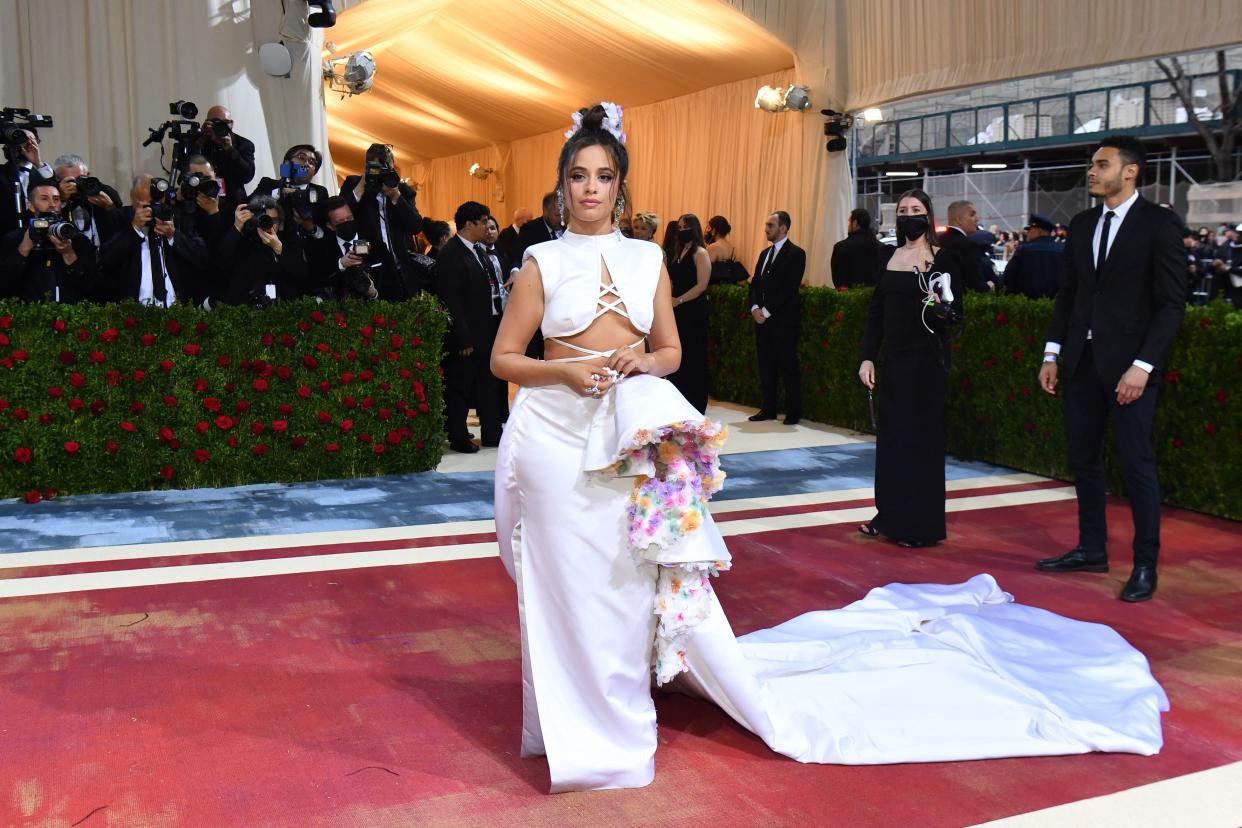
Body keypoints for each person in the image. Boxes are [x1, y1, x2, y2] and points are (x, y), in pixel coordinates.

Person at [491, 104, 1167, 795]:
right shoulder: (540, 261)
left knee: (626, 583)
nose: (591, 188)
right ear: (564, 184)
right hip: (554, 435)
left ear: (621, 186)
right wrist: (566, 372)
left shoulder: (647, 260)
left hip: (633, 435)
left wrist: (642, 365)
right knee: (560, 585)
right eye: (579, 176)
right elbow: (504, 359)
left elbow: (670, 350)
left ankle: (617, 715)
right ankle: (565, 722)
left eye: (604, 176)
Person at [1036, 137, 1187, 603]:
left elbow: (1170, 304)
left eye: (1102, 164)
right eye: (1092, 164)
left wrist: (1142, 366)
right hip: (1081, 364)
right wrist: (1051, 353)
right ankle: (1090, 549)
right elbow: (1070, 296)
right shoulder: (1082, 225)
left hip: (1131, 369)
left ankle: (1145, 564)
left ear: (1130, 172)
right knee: (1083, 460)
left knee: (1137, 466)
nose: (1092, 171)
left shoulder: (1158, 225)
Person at [858, 188, 963, 548]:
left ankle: (920, 525)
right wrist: (867, 356)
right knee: (891, 443)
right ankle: (887, 515)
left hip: (928, 364)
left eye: (915, 209)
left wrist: (941, 309)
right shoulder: (889, 257)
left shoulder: (943, 259)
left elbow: (955, 314)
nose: (908, 215)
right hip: (894, 363)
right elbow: (875, 315)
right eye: (903, 210)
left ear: (928, 214)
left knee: (922, 444)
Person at [435, 200, 503, 452]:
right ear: (468, 224)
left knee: (488, 383)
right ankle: (459, 436)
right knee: (460, 387)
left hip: (486, 330)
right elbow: (451, 301)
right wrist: (462, 338)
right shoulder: (451, 254)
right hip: (466, 335)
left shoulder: (478, 250)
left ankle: (492, 433)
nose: (487, 226)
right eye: (483, 221)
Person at [99, 174, 205, 306]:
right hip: (133, 311)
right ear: (134, 200)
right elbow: (106, 260)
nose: (154, 209)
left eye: (158, 203)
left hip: (176, 309)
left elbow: (200, 257)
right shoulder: (119, 218)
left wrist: (173, 235)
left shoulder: (176, 217)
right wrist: (134, 228)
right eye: (148, 204)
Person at [342, 143, 424, 298]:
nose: (380, 172)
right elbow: (342, 218)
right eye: (375, 167)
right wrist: (361, 186)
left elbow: (416, 227)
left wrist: (395, 196)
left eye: (386, 167)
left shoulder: (404, 191)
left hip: (401, 270)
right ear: (367, 166)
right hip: (369, 269)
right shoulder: (354, 184)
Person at [747, 211, 805, 425]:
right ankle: (768, 408)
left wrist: (767, 311)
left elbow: (789, 288)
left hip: (783, 320)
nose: (766, 229)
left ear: (783, 228)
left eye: (770, 225)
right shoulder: (764, 254)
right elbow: (755, 284)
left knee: (787, 365)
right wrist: (754, 307)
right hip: (762, 319)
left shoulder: (796, 254)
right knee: (766, 364)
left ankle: (793, 411)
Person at [0, 178, 101, 302]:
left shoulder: (77, 239)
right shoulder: (14, 238)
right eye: (44, 198)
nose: (52, 204)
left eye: (56, 199)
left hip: (68, 315)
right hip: (26, 315)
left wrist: (69, 254)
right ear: (30, 206)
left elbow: (91, 287)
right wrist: (24, 248)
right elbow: (5, 284)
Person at [214, 196, 309, 306]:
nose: (269, 225)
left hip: (283, 307)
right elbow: (221, 262)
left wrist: (279, 249)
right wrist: (237, 227)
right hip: (247, 307)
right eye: (264, 219)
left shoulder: (288, 241)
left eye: (274, 220)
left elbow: (302, 273)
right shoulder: (243, 241)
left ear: (280, 222)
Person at [666, 213, 711, 412]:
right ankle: (678, 400)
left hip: (693, 310)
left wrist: (680, 299)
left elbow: (702, 285)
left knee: (694, 356)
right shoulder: (678, 252)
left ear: (693, 229)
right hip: (676, 310)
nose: (681, 230)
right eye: (679, 227)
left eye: (685, 227)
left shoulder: (700, 253)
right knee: (679, 354)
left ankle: (696, 402)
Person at [53, 154, 123, 249]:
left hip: (104, 255)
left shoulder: (101, 192)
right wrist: (61, 200)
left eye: (80, 179)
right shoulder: (52, 197)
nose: (76, 185)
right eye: (71, 181)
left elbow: (120, 224)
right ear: (58, 180)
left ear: (88, 174)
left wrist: (109, 207)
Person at [192, 105, 256, 204]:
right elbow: (186, 168)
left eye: (225, 123)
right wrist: (201, 139)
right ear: (207, 123)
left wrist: (230, 149)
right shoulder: (199, 141)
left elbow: (247, 176)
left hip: (232, 202)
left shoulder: (244, 144)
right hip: (201, 200)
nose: (221, 127)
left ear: (231, 124)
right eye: (216, 123)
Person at [1, 128, 54, 234]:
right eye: (22, 140)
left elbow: (54, 192)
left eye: (32, 140)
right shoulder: (2, 172)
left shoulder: (44, 172)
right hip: (8, 234)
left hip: (41, 232)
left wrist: (38, 163)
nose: (27, 144)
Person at [1004, 213, 1065, 299]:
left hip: (1028, 305)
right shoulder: (1062, 250)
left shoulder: (1023, 250)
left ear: (1038, 231)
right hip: (1056, 304)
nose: (1027, 232)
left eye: (1029, 229)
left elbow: (1008, 278)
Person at [938, 200, 995, 292]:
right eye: (972, 215)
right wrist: (988, 287)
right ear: (959, 220)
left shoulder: (937, 241)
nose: (977, 219)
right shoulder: (968, 246)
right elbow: (974, 284)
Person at [830, 207, 889, 288]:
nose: (848, 225)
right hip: (875, 298)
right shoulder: (882, 248)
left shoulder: (841, 247)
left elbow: (838, 279)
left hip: (848, 298)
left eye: (849, 222)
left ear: (855, 223)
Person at [705, 215, 747, 284]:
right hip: (727, 288)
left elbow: (706, 272)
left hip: (715, 289)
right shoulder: (732, 248)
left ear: (714, 230)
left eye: (709, 228)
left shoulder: (713, 247)